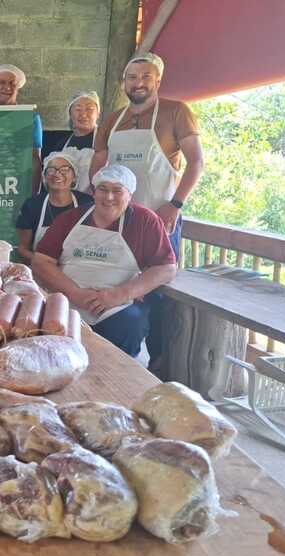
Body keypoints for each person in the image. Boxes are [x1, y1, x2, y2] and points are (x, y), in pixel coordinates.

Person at [89, 52, 204, 369]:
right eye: (132, 77)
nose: (138, 83)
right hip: (118, 218)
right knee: (123, 284)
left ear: (157, 80)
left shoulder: (175, 111)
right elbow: (99, 161)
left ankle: (160, 363)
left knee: (159, 289)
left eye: (145, 77)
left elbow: (196, 162)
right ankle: (122, 360)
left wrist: (175, 204)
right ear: (124, 82)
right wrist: (97, 199)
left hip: (160, 216)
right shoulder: (113, 119)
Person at [31, 165, 177, 358]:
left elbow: (166, 268)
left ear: (130, 195)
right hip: (68, 299)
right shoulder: (70, 218)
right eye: (103, 189)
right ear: (94, 192)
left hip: (118, 305)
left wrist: (120, 294)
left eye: (117, 191)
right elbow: (41, 261)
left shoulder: (145, 221)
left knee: (130, 323)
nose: (109, 197)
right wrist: (75, 293)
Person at [16, 151, 94, 263]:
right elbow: (22, 249)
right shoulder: (32, 205)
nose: (57, 174)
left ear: (74, 177)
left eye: (65, 169)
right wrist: (46, 264)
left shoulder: (87, 204)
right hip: (42, 270)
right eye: (51, 169)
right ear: (45, 177)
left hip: (78, 269)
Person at [0, 64, 44, 194]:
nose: (7, 87)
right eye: (1, 82)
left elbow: (34, 160)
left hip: (16, 188)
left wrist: (33, 199)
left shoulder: (29, 117)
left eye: (13, 84)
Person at [41, 90, 101, 160]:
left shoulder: (106, 140)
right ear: (70, 114)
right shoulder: (61, 145)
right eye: (78, 109)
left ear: (98, 113)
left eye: (89, 109)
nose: (84, 115)